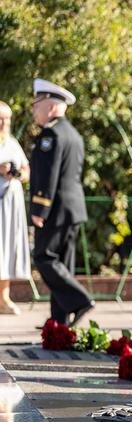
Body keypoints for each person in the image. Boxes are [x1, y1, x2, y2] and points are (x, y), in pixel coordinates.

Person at [30, 79, 95, 325]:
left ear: (51, 106)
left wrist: (39, 209)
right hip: (74, 209)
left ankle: (80, 300)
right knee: (62, 264)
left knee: (44, 257)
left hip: (55, 209)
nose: (35, 110)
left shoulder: (51, 134)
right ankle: (60, 324)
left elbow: (48, 175)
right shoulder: (73, 134)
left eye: (38, 105)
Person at [0, 101, 30, 315]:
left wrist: (15, 173)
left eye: (7, 119)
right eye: (0, 119)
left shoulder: (11, 143)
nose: (4, 123)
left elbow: (27, 172)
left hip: (11, 203)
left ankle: (4, 297)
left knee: (7, 247)